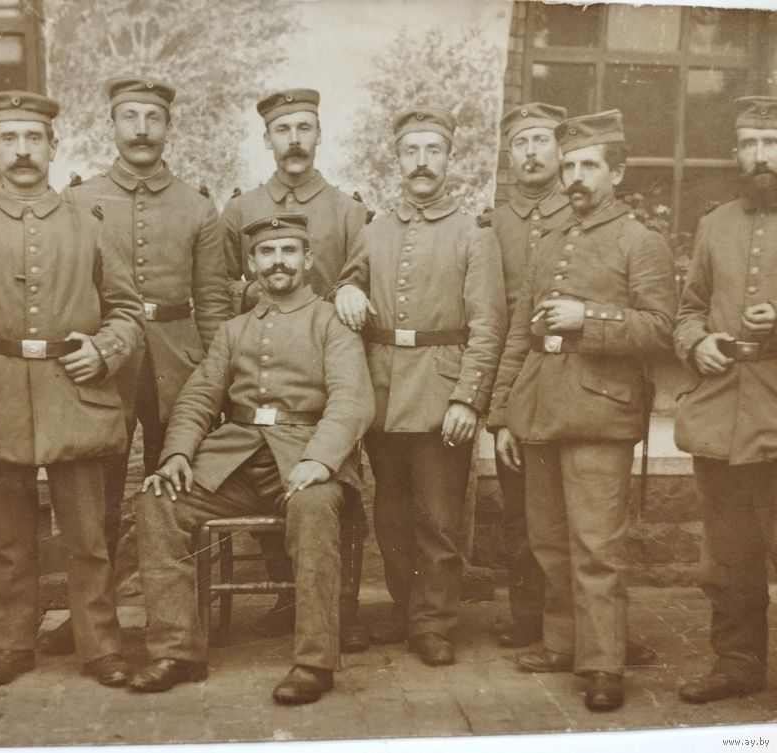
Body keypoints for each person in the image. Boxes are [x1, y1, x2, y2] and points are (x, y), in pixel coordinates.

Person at [0, 90, 144, 688]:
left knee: (88, 537)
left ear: (53, 146)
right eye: (10, 139)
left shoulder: (89, 227)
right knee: (8, 539)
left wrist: (104, 350)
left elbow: (128, 313)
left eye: (34, 138)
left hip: (76, 396)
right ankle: (11, 644)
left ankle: (100, 646)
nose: (23, 150)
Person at [131, 214, 374, 705]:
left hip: (306, 456)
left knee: (312, 507)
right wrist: (176, 454)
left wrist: (321, 460)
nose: (278, 262)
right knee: (158, 502)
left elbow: (351, 399)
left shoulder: (332, 322)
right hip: (237, 461)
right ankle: (177, 651)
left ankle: (314, 662)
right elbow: (198, 396)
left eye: (289, 251)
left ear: (308, 260)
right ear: (252, 263)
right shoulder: (234, 329)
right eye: (267, 252)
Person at [490, 110, 676, 711]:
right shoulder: (550, 240)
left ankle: (602, 665)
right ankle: (563, 642)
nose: (575, 176)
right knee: (549, 541)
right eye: (569, 165)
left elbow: (661, 329)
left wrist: (586, 318)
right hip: (541, 408)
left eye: (588, 165)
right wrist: (504, 414)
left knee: (596, 547)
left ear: (616, 173)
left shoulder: (641, 242)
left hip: (601, 413)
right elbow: (520, 332)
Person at [37, 76, 229, 655]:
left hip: (179, 363)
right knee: (95, 498)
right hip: (103, 363)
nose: (141, 129)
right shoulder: (78, 200)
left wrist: (218, 377)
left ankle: (178, 618)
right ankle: (91, 619)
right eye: (130, 117)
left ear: (168, 127)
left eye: (153, 117)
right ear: (112, 125)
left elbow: (212, 302)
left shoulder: (198, 207)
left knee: (176, 491)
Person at [334, 106, 506, 666]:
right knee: (391, 514)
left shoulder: (474, 236)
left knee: (437, 517)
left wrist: (468, 398)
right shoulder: (374, 230)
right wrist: (347, 289)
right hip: (383, 391)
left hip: (440, 393)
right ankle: (406, 607)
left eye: (434, 150)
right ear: (398, 159)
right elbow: (350, 279)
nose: (422, 162)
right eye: (412, 151)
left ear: (449, 158)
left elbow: (488, 326)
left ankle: (433, 622)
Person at [221, 87, 372, 651]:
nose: (294, 140)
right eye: (283, 129)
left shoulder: (348, 210)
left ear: (319, 134)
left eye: (304, 127)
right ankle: (290, 600)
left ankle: (338, 613)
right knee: (263, 467)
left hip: (328, 366)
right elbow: (222, 285)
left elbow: (363, 274)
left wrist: (351, 288)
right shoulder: (240, 209)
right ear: (267, 138)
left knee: (332, 484)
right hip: (263, 362)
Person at [673, 95, 777, 704]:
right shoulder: (715, 225)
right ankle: (737, 664)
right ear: (735, 152)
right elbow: (688, 309)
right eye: (749, 145)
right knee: (728, 556)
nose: (760, 156)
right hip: (721, 412)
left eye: (772, 143)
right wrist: (698, 342)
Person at [486, 102, 570, 649]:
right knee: (519, 507)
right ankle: (528, 616)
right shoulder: (492, 224)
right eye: (521, 142)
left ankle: (580, 622)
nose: (532, 152)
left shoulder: (578, 212)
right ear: (509, 154)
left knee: (573, 507)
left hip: (570, 373)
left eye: (541, 140)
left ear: (560, 150)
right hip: (513, 374)